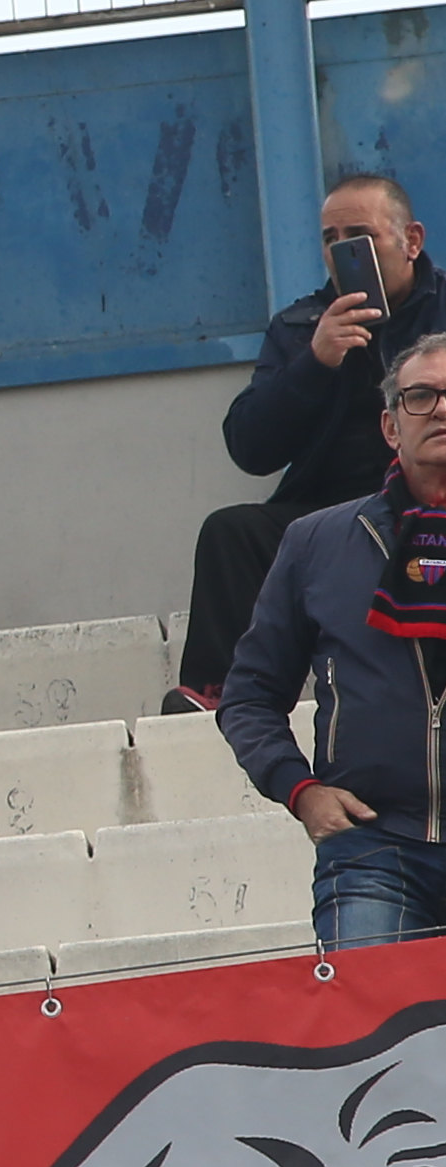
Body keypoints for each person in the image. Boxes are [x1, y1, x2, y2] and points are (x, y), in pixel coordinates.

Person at [175, 173, 441, 712]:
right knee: (232, 531)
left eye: (359, 235)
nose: (343, 251)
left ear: (411, 241)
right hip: (331, 515)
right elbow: (250, 448)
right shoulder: (301, 326)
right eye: (330, 238)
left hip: (431, 500)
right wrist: (314, 364)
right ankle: (216, 692)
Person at [222, 331, 446, 945]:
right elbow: (249, 696)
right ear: (390, 427)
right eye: (421, 396)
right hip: (374, 852)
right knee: (369, 1036)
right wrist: (301, 791)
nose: (443, 409)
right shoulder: (315, 542)